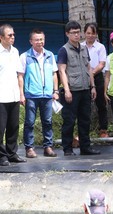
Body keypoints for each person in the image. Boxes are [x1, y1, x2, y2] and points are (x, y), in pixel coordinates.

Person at [57, 21, 100, 157]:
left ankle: (85, 147)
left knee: (85, 120)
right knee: (69, 120)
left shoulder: (83, 48)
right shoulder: (64, 50)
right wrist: (67, 90)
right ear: (67, 34)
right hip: (72, 91)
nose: (76, 35)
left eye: (77, 32)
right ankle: (67, 149)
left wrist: (92, 86)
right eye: (73, 33)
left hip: (85, 89)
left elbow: (89, 68)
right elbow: (62, 71)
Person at [17, 28, 59, 159]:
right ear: (31, 41)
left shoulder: (50, 55)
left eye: (41, 39)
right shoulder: (25, 56)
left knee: (47, 121)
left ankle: (48, 147)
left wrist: (55, 91)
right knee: (29, 122)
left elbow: (54, 74)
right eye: (36, 40)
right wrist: (21, 94)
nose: (39, 42)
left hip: (47, 94)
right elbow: (20, 76)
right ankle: (29, 148)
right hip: (31, 95)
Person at [0, 24, 24, 167]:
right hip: (1, 97)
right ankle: (2, 156)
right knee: (0, 128)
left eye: (14, 35)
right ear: (1, 37)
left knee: (13, 127)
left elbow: (19, 75)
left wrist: (21, 94)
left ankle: (12, 153)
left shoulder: (15, 51)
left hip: (14, 94)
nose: (13, 37)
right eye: (10, 35)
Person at [82, 22, 108, 138]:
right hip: (83, 78)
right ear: (84, 33)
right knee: (84, 106)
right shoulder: (80, 46)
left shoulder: (100, 47)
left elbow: (102, 64)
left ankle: (103, 129)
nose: (90, 35)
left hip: (97, 77)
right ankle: (84, 130)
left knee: (101, 104)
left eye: (93, 33)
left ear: (96, 34)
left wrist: (91, 73)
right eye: (88, 33)